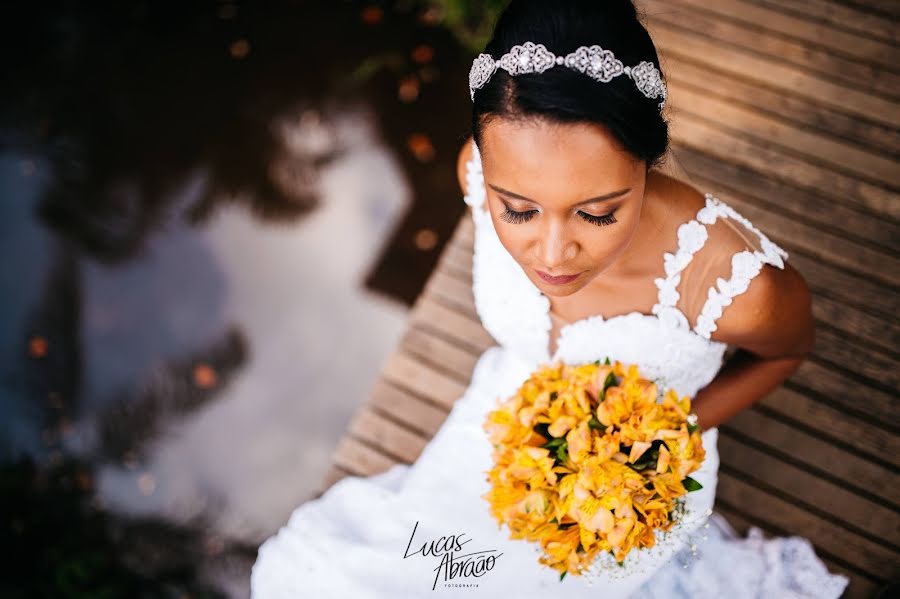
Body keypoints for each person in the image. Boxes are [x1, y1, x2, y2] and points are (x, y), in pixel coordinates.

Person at [250, 1, 850, 596]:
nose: (553, 254)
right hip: (504, 421)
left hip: (636, 472)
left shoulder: (732, 281)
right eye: (518, 209)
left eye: (595, 213)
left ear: (646, 160)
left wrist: (668, 431)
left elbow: (786, 352)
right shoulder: (473, 174)